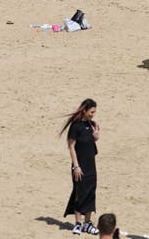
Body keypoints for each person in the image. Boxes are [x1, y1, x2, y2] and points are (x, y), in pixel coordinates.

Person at [62, 98, 101, 236]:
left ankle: (87, 223)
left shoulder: (92, 124)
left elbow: (92, 141)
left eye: (94, 112)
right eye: (91, 112)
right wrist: (76, 166)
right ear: (84, 110)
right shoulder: (75, 126)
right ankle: (78, 223)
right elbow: (71, 147)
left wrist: (96, 136)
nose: (93, 114)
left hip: (91, 164)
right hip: (80, 165)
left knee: (90, 193)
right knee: (79, 193)